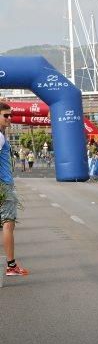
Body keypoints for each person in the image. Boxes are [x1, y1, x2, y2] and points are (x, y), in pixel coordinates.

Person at [0, 103, 28, 276]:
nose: (10, 118)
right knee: (8, 224)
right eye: (6, 115)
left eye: (10, 115)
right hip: (3, 184)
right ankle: (11, 266)